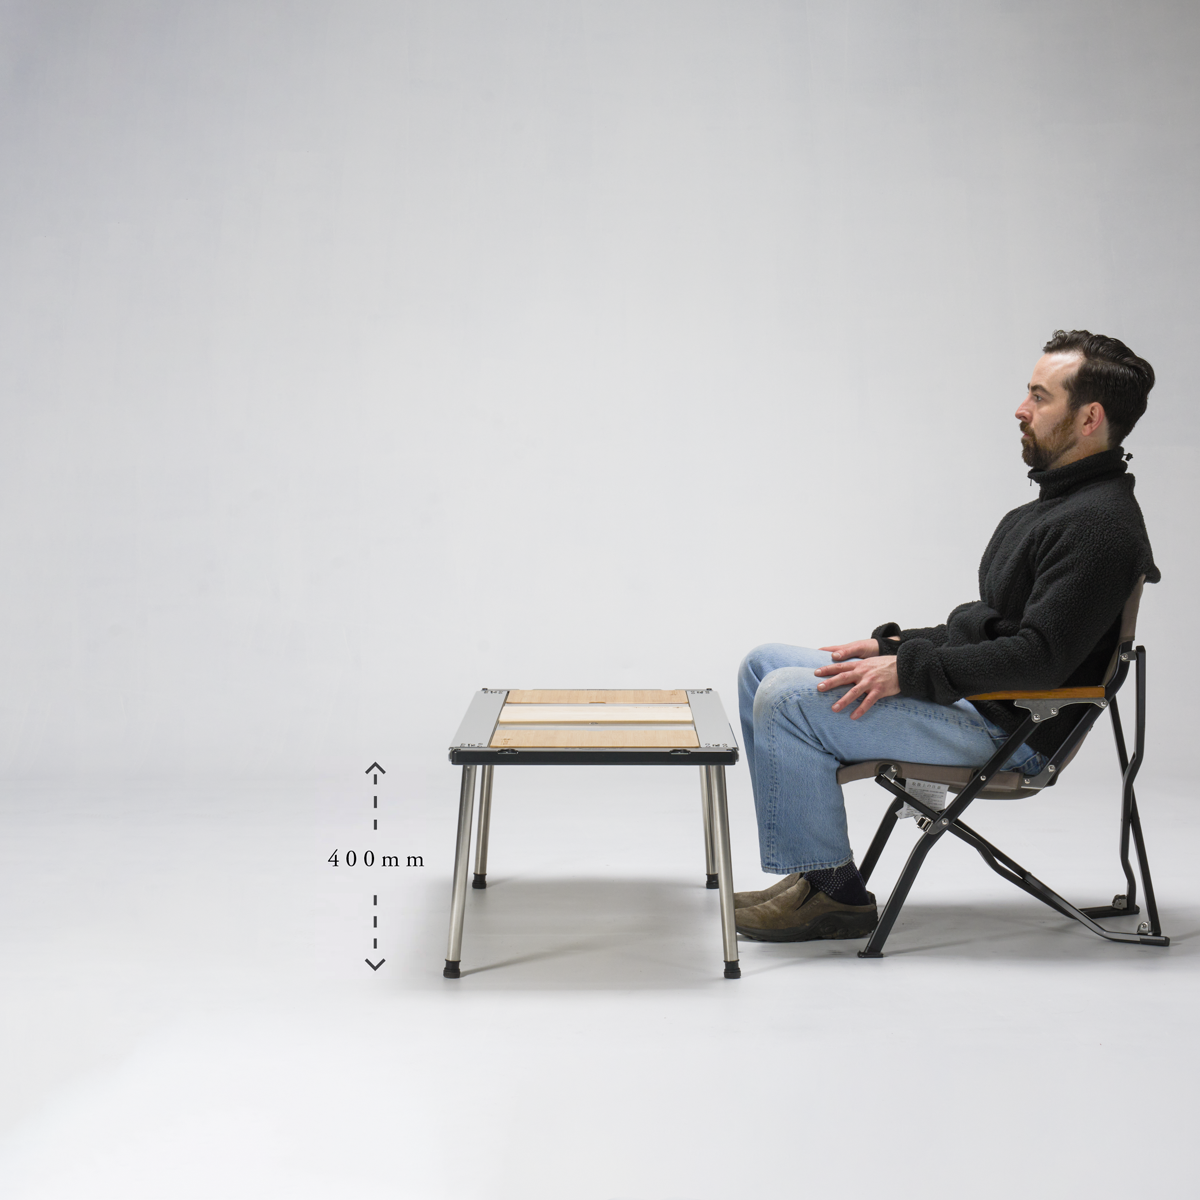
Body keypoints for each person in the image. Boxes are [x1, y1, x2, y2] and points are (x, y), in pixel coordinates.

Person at [734, 330, 1160, 942]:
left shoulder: (1099, 525)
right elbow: (986, 627)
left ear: (1089, 418)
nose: (1021, 409)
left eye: (1040, 397)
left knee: (785, 698)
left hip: (1013, 733)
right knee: (761, 665)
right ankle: (812, 871)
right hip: (979, 703)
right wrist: (894, 648)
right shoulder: (1051, 510)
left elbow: (1040, 658)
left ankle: (832, 895)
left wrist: (909, 670)